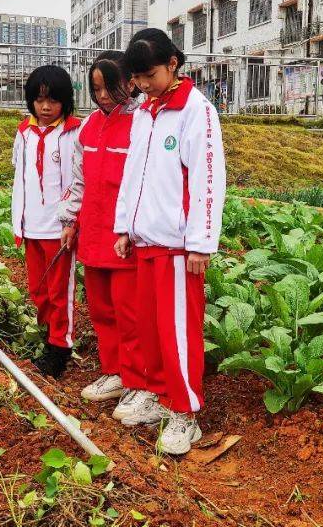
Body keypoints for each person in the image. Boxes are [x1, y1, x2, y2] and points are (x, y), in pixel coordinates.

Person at [113, 28, 226, 455]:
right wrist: (124, 227)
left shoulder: (196, 111)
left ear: (173, 64)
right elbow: (132, 176)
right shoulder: (145, 112)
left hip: (178, 246)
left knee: (178, 331)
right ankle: (157, 395)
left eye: (150, 75)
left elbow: (208, 179)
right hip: (146, 240)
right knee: (150, 327)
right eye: (137, 78)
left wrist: (200, 242)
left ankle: (185, 412)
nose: (142, 84)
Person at [57, 51, 147, 413]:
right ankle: (114, 372)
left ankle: (137, 379)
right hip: (92, 232)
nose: (104, 95)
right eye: (96, 89)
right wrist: (70, 221)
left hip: (126, 236)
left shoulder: (142, 123)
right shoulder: (88, 127)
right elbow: (78, 180)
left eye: (110, 87)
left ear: (130, 83)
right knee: (101, 310)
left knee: (130, 311)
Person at [12, 65, 82, 378]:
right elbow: (20, 177)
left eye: (53, 100)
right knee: (37, 290)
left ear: (64, 102)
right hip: (32, 227)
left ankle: (59, 349)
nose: (45, 107)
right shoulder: (23, 133)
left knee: (59, 292)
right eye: (39, 100)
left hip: (58, 228)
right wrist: (19, 223)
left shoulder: (73, 133)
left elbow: (79, 180)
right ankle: (47, 336)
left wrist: (72, 221)